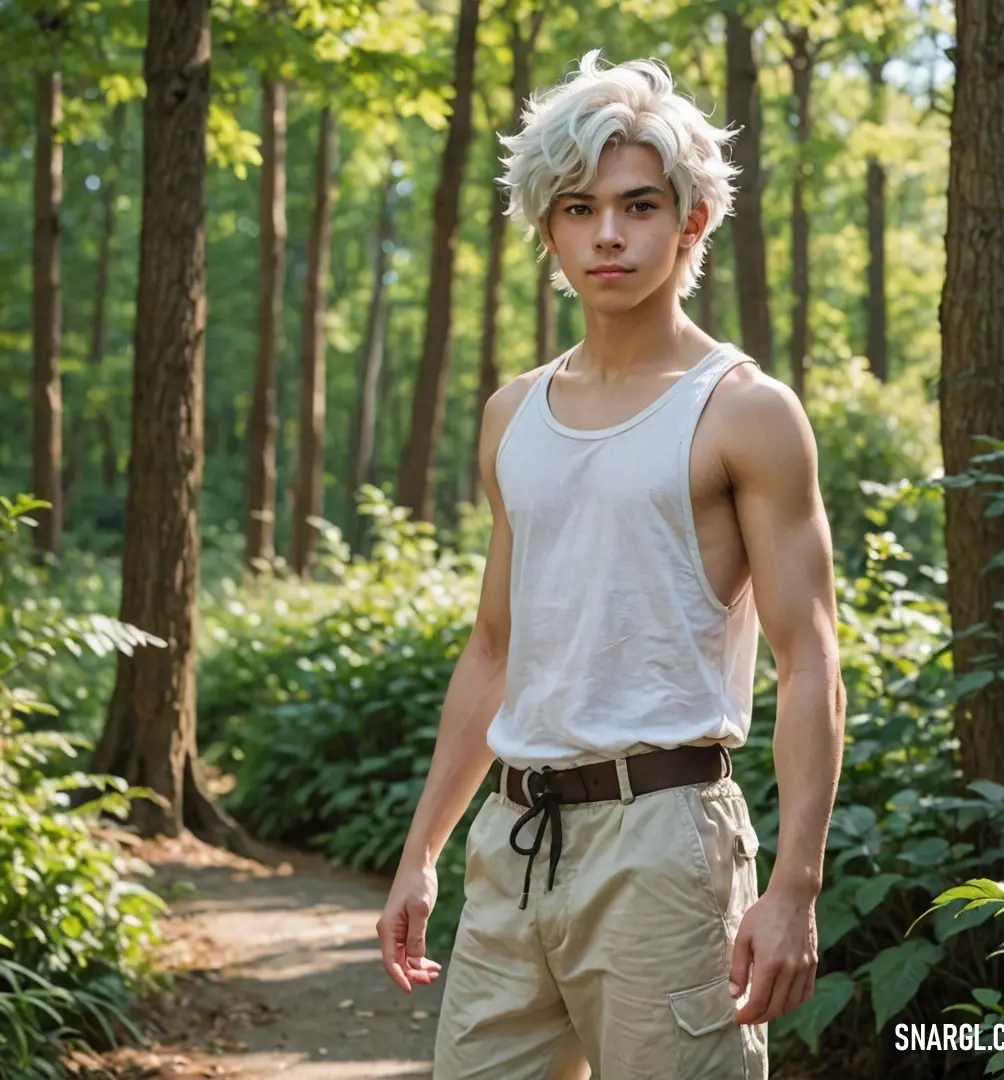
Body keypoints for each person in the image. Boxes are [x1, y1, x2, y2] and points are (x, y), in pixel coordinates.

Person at [377, 49, 846, 1080]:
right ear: (547, 224)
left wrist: (796, 888)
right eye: (579, 207)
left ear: (692, 220)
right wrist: (422, 850)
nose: (607, 235)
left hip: (666, 845)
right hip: (512, 841)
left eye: (638, 206)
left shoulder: (746, 412)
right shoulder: (513, 414)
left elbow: (808, 659)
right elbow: (495, 647)